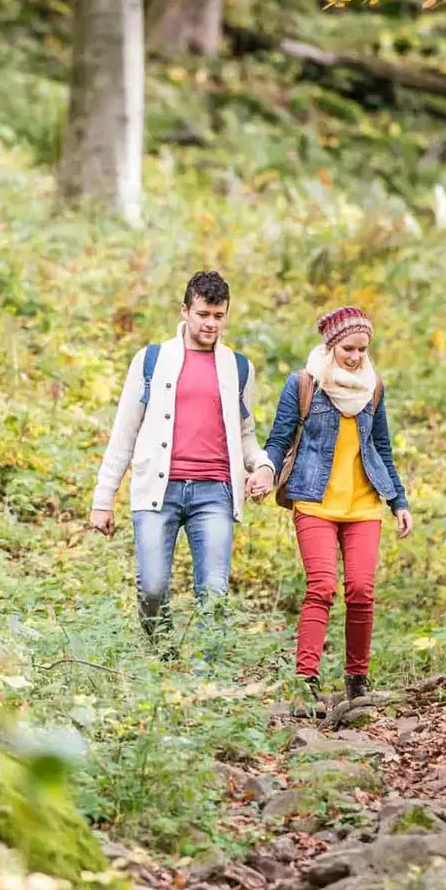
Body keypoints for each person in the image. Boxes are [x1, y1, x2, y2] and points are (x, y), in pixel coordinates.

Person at [89, 270, 276, 646]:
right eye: (203, 314)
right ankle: (164, 664)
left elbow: (244, 435)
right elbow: (124, 433)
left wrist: (265, 466)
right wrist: (102, 499)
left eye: (219, 316)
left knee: (214, 592)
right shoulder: (151, 360)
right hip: (158, 490)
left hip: (215, 492)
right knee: (153, 587)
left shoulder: (238, 367)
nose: (211, 324)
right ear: (186, 311)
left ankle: (209, 680)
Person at [263, 305, 413, 705]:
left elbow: (381, 447)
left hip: (364, 505)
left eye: (363, 349)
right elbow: (278, 440)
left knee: (362, 590)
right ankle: (306, 679)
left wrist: (398, 500)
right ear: (331, 346)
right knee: (322, 587)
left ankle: (357, 680)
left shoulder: (372, 388)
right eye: (349, 348)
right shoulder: (304, 384)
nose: (356, 356)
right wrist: (264, 470)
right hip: (314, 501)